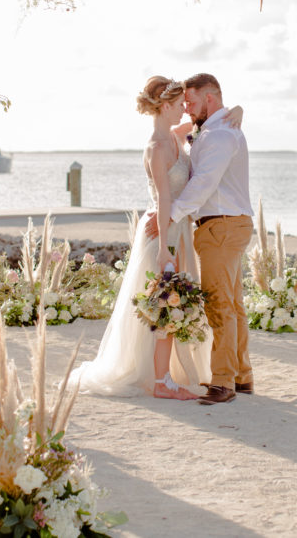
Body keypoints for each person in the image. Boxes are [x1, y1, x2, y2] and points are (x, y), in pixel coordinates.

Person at [71, 76, 241, 400]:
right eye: (178, 105)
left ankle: (167, 376)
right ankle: (162, 382)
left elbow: (199, 120)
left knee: (177, 303)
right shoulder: (157, 147)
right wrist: (164, 248)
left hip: (178, 230)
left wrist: (238, 111)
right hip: (163, 233)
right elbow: (163, 199)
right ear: (164, 106)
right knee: (168, 302)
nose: (184, 111)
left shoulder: (175, 137)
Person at [146, 73, 254, 406]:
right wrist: (237, 108)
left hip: (222, 225)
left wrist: (172, 214)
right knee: (233, 304)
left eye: (190, 102)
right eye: (182, 103)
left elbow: (204, 181)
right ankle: (241, 375)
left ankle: (223, 382)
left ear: (209, 99)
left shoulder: (220, 135)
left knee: (220, 305)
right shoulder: (211, 130)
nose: (187, 109)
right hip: (227, 224)